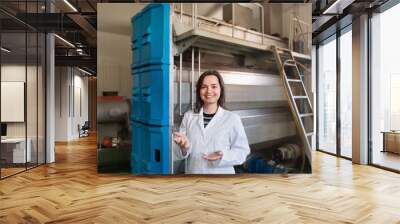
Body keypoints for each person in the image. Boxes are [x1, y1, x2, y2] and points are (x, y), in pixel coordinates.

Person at [173, 70, 250, 174]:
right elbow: (180, 152)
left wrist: (223, 156)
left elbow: (242, 152)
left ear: (220, 90)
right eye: (204, 87)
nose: (209, 91)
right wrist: (183, 147)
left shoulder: (232, 119)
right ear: (199, 91)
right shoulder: (189, 117)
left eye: (214, 86)